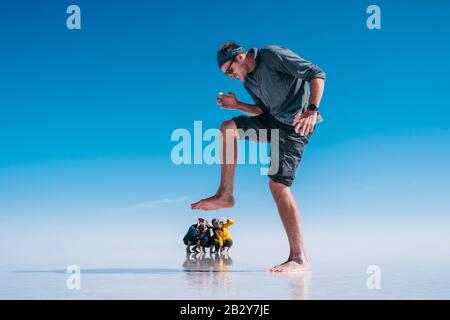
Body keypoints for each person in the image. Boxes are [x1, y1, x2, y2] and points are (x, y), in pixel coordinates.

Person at [191, 42, 326, 272]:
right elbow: (261, 111)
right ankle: (225, 195)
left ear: (241, 57)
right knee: (228, 128)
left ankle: (299, 258)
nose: (231, 77)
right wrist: (236, 105)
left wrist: (311, 110)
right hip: (272, 122)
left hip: (295, 126)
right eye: (227, 75)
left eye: (230, 71)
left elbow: (317, 73)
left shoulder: (272, 56)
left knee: (278, 186)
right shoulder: (249, 81)